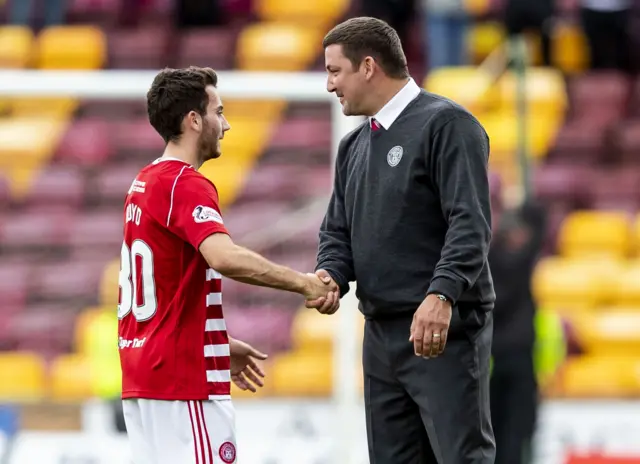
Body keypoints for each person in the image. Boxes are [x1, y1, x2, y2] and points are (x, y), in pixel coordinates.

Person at [118, 66, 337, 464]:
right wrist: (304, 283)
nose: (227, 124)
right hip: (182, 385)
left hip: (145, 379)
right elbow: (223, 256)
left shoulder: (144, 182)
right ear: (194, 120)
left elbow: (167, 283)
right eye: (219, 112)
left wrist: (213, 342)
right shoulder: (184, 183)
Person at [307, 17, 496, 464]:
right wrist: (330, 272)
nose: (329, 84)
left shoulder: (447, 124)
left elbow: (470, 223)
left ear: (368, 66)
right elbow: (337, 231)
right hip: (381, 334)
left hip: (442, 329)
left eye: (335, 70)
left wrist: (442, 295)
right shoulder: (353, 146)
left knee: (461, 458)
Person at [489, 200, 546, 464]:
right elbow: (540, 225)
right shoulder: (521, 264)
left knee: (497, 431)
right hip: (519, 361)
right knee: (517, 433)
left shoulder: (490, 263)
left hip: (495, 359)